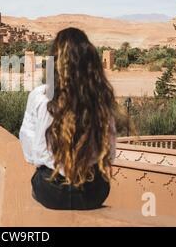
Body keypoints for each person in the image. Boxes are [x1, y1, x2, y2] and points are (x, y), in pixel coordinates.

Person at [19, 27, 117, 210]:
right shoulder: (102, 99)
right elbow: (110, 154)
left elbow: (31, 153)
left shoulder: (41, 96)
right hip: (92, 192)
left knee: (39, 176)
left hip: (50, 191)